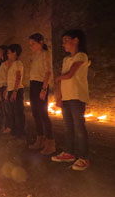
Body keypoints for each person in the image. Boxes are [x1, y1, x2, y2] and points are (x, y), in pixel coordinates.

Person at [51, 29, 90, 171]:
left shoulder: (82, 56)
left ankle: (83, 157)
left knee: (79, 127)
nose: (63, 44)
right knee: (68, 126)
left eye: (66, 40)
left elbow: (70, 74)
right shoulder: (66, 59)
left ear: (76, 40)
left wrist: (59, 78)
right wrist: (59, 96)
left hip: (77, 96)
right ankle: (69, 152)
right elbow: (62, 79)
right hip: (67, 97)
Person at [28, 33, 55, 155]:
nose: (31, 46)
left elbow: (48, 72)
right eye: (30, 44)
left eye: (33, 43)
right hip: (33, 84)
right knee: (35, 113)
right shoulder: (35, 56)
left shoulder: (45, 55)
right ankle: (40, 139)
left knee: (43, 114)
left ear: (41, 42)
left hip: (41, 85)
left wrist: (44, 89)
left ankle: (50, 143)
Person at [5, 44, 25, 137]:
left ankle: (20, 131)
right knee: (12, 111)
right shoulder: (12, 64)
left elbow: (18, 77)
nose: (7, 55)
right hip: (11, 90)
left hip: (16, 90)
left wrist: (15, 91)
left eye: (9, 53)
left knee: (18, 111)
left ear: (15, 53)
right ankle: (14, 129)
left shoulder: (18, 63)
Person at [0, 45, 9, 132]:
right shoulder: (1, 64)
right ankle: (4, 125)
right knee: (3, 108)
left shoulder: (7, 63)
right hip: (1, 86)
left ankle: (7, 126)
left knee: (6, 108)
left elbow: (9, 76)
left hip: (5, 86)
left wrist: (6, 89)